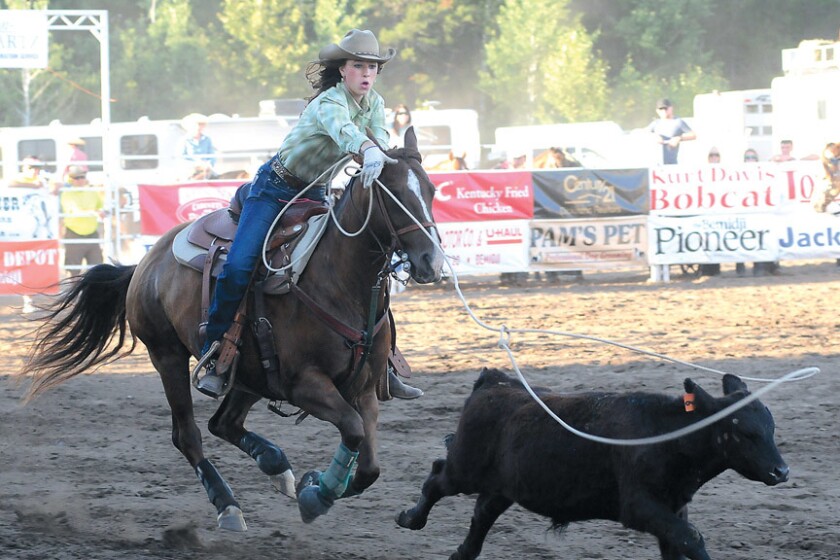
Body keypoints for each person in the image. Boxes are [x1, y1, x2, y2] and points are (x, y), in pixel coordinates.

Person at [196, 29, 422, 400]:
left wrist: (380, 152)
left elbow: (376, 138)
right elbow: (346, 132)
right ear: (342, 69)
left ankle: (383, 361)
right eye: (358, 65)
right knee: (240, 265)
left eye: (372, 67)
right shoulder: (328, 104)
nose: (366, 73)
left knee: (365, 266)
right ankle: (215, 347)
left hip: (316, 192)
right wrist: (369, 149)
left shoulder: (375, 103)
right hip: (274, 189)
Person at [59, 165, 105, 274]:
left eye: (82, 177)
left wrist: (102, 212)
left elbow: (100, 206)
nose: (79, 180)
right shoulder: (67, 193)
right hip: (74, 235)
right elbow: (74, 212)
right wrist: (94, 212)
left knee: (98, 269)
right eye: (76, 178)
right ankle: (72, 290)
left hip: (92, 234)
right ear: (71, 180)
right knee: (73, 272)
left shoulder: (93, 191)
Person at [648, 98, 696, 165]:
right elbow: (642, 133)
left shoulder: (678, 122)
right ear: (657, 111)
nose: (664, 111)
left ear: (671, 108)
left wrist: (679, 138)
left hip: (672, 164)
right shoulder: (655, 123)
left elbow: (693, 135)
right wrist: (654, 136)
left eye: (666, 108)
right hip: (657, 165)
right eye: (661, 109)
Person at [180, 113, 217, 179]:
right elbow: (181, 157)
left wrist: (209, 165)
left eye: (202, 124)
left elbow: (212, 155)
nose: (200, 127)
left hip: (206, 169)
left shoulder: (207, 139)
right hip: (190, 170)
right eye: (198, 124)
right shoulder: (184, 140)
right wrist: (196, 165)